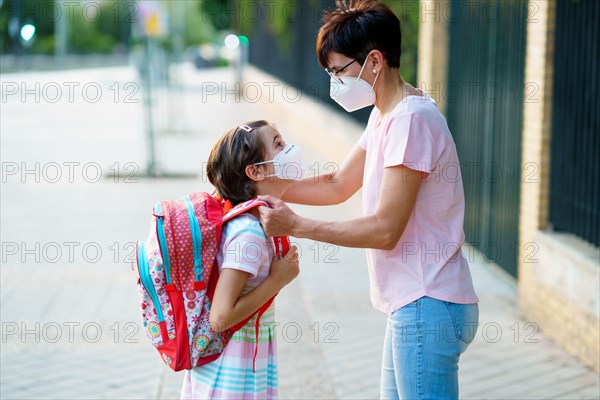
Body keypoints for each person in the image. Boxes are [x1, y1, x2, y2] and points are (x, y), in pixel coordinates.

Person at [257, 1, 479, 399]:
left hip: (427, 303)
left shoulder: (411, 121)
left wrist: (297, 226)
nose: (333, 82)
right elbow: (338, 184)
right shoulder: (386, 114)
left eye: (338, 71)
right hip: (414, 304)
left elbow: (384, 229)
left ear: (374, 61)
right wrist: (265, 188)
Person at [181, 120, 301, 400]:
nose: (290, 150)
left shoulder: (252, 221)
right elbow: (220, 318)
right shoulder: (248, 232)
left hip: (241, 366)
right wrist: (277, 280)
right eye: (279, 144)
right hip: (229, 377)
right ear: (255, 171)